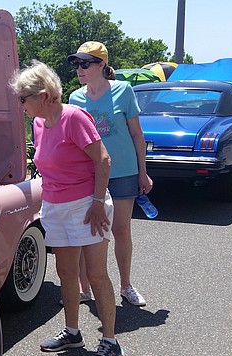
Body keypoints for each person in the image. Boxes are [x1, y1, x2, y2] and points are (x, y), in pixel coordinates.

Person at [9, 60, 122, 356]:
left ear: (45, 95)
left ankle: (110, 341)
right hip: (56, 207)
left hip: (87, 206)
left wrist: (98, 202)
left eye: (23, 99)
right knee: (66, 274)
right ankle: (72, 332)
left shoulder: (74, 117)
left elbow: (103, 160)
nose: (21, 106)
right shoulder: (39, 124)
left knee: (96, 274)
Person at [68, 41, 153, 307]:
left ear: (101, 65)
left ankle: (126, 285)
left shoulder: (123, 91)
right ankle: (85, 289)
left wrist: (143, 172)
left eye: (85, 63)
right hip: (88, 174)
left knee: (120, 229)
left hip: (123, 170)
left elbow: (137, 135)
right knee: (86, 232)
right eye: (76, 64)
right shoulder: (75, 98)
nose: (79, 69)